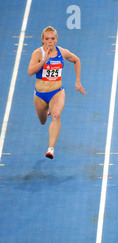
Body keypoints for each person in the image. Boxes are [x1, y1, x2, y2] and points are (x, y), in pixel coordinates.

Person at [27, 26, 85, 159]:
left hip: (57, 92)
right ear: (43, 40)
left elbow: (77, 60)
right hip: (40, 94)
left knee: (57, 115)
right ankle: (46, 112)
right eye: (47, 39)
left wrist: (78, 81)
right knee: (42, 121)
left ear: (56, 39)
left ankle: (50, 149)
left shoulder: (62, 52)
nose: (50, 41)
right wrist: (44, 61)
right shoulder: (37, 53)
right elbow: (30, 72)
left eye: (52, 38)